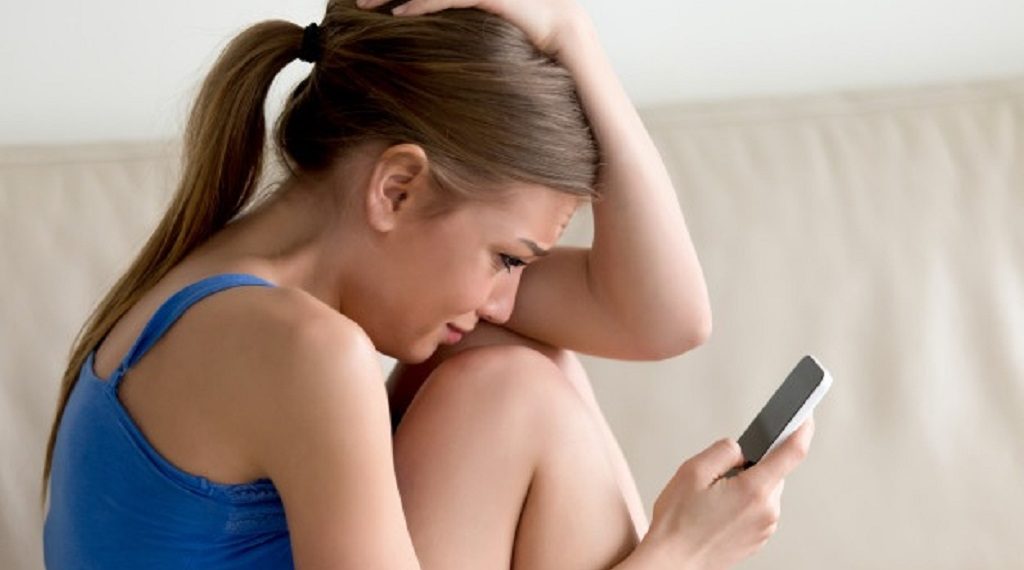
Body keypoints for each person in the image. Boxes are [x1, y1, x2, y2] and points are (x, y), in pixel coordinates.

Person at [41, 0, 814, 568]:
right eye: (507, 257)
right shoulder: (304, 352)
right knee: (514, 392)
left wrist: (571, 31)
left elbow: (665, 319)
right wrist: (681, 554)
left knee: (512, 363)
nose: (505, 297)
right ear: (397, 188)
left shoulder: (223, 303)